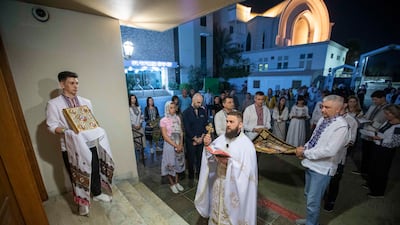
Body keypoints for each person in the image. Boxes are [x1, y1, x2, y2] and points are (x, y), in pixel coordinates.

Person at [46, 71, 114, 216]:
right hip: (70, 147)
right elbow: (51, 126)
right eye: (71, 83)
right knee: (75, 174)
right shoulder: (54, 104)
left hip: (88, 144)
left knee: (94, 168)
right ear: (62, 84)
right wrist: (66, 131)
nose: (76, 86)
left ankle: (97, 193)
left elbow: (91, 121)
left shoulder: (86, 102)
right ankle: (81, 203)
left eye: (77, 83)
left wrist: (95, 126)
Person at [195, 111, 258, 225]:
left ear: (240, 125)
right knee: (216, 211)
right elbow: (210, 159)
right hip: (218, 184)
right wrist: (207, 146)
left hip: (234, 189)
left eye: (231, 122)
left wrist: (229, 163)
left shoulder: (247, 146)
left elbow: (248, 175)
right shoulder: (221, 139)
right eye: (227, 121)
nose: (228, 124)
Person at [295, 95, 349, 225]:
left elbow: (329, 151)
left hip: (322, 169)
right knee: (309, 196)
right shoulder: (322, 120)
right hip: (311, 164)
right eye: (322, 106)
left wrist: (305, 152)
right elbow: (314, 140)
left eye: (327, 107)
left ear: (337, 109)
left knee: (313, 200)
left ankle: (312, 224)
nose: (323, 110)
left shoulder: (341, 127)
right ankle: (309, 220)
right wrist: (305, 148)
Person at [323, 98, 358, 212]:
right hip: (323, 156)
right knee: (323, 179)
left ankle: (330, 202)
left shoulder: (350, 121)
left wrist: (337, 142)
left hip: (338, 157)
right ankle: (322, 196)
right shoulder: (329, 118)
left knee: (334, 181)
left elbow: (351, 139)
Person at [364, 104, 400, 198]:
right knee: (373, 167)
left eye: (388, 114)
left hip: (386, 151)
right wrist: (373, 133)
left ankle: (378, 192)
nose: (386, 116)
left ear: (395, 114)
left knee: (381, 171)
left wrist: (379, 139)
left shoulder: (398, 127)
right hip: (377, 147)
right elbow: (381, 131)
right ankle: (372, 185)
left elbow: (395, 143)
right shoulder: (388, 121)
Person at [353, 90, 388, 176]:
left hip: (376, 134)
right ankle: (363, 170)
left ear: (383, 98)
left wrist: (374, 123)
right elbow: (367, 115)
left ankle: (370, 173)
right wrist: (363, 117)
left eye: (376, 99)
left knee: (373, 156)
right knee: (365, 153)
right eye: (373, 100)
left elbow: (386, 122)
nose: (374, 101)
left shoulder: (388, 108)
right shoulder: (373, 106)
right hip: (367, 132)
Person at [160, 101, 185, 194]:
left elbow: (181, 132)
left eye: (174, 107)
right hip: (170, 145)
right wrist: (175, 145)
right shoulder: (163, 120)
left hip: (179, 144)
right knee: (171, 163)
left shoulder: (178, 118)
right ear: (167, 109)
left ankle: (177, 182)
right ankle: (172, 184)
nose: (173, 109)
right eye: (171, 108)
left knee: (178, 164)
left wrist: (181, 144)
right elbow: (165, 136)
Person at [183, 93, 208, 180]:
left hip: (201, 140)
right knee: (191, 159)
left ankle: (199, 175)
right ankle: (191, 177)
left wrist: (201, 138)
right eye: (198, 102)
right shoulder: (186, 112)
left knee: (200, 159)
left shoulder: (203, 111)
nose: (200, 105)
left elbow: (206, 125)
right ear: (193, 101)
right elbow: (187, 128)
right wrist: (195, 138)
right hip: (191, 141)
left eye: (201, 103)